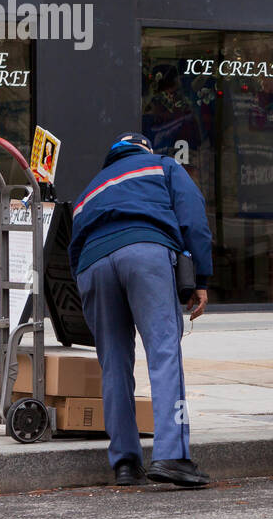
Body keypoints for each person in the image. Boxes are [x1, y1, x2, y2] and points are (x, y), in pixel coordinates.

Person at [68, 132, 213, 488]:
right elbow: (193, 217)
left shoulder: (89, 190)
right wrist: (200, 278)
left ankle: (125, 463)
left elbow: (72, 248)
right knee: (164, 352)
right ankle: (171, 456)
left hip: (92, 265)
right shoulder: (162, 165)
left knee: (114, 363)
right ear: (144, 149)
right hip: (145, 251)